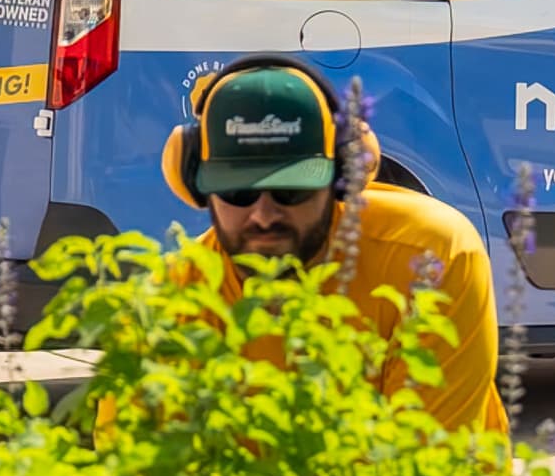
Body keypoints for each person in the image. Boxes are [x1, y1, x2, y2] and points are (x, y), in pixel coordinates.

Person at [159, 56, 507, 433]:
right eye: (237, 191)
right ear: (194, 185)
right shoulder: (172, 300)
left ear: (342, 176)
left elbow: (428, 470)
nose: (263, 214)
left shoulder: (433, 258)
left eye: (290, 189)